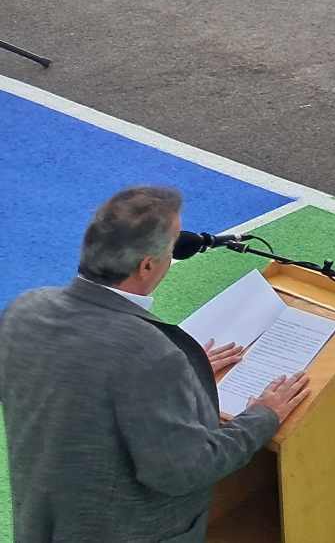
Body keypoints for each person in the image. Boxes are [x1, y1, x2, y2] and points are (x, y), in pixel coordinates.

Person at [0, 185, 310, 543]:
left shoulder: (25, 310)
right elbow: (184, 470)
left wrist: (183, 378)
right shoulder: (150, 354)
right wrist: (262, 416)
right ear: (147, 265)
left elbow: (75, 384)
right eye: (174, 244)